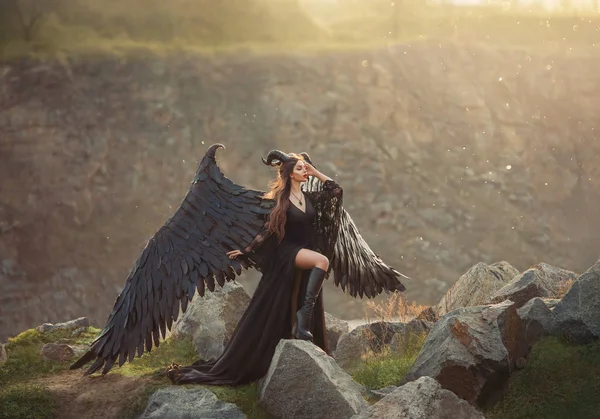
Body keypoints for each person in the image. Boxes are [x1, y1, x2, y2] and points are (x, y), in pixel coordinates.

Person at [70, 144, 408, 387]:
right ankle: (301, 325)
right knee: (321, 261)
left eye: (306, 168)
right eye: (300, 168)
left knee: (318, 262)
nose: (305, 171)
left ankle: (304, 332)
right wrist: (244, 253)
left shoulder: (313, 198)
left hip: (300, 258)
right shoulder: (279, 201)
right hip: (288, 256)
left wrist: (312, 168)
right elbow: (266, 233)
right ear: (289, 173)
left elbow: (335, 190)